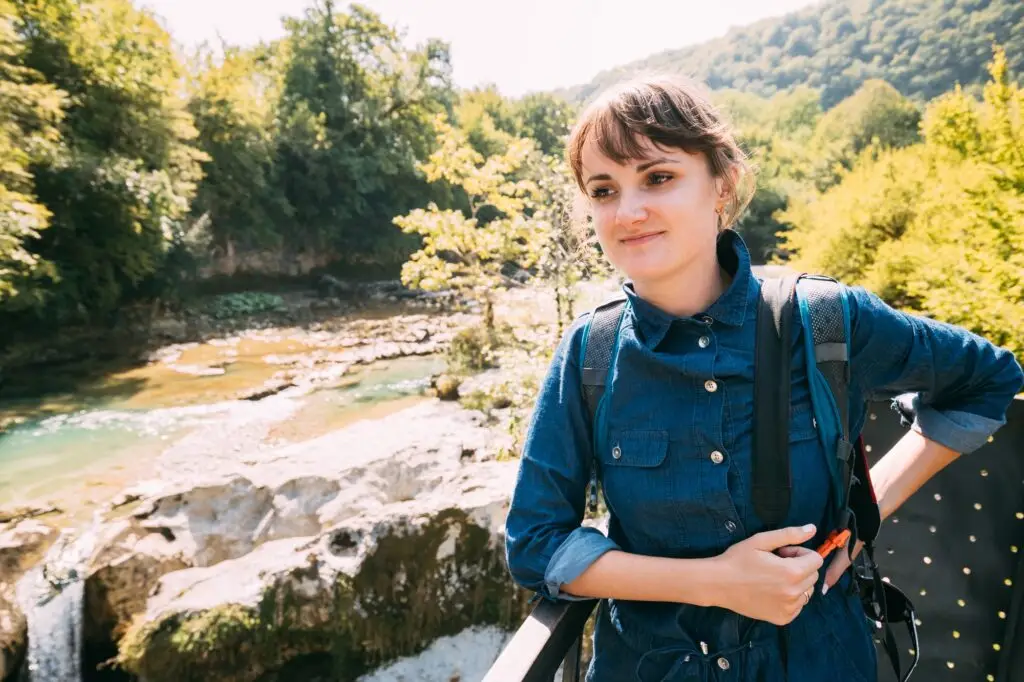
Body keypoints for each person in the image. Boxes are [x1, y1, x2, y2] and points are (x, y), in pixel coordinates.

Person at [503, 74, 1024, 681]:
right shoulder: (588, 354)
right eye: (603, 189)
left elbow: (988, 379)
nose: (630, 211)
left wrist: (862, 520)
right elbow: (536, 543)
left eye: (658, 177)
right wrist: (712, 583)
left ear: (720, 184)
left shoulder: (826, 322)